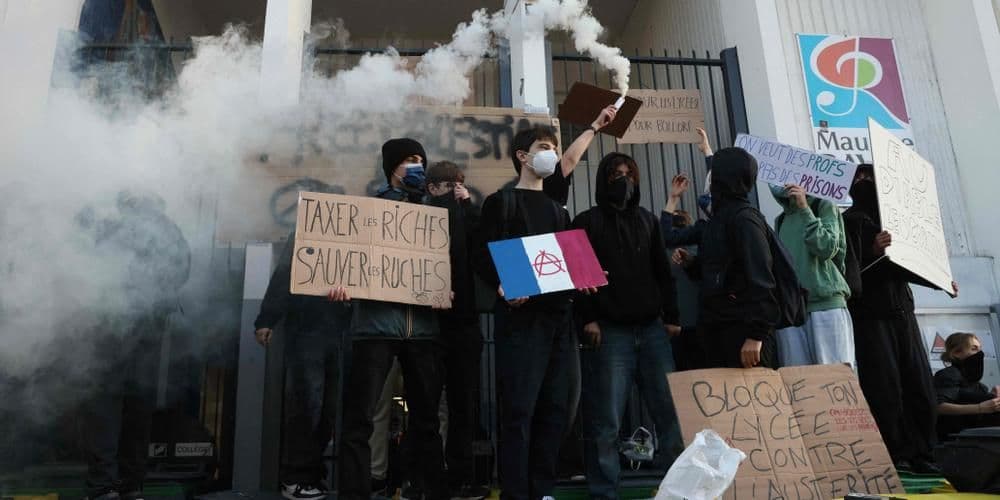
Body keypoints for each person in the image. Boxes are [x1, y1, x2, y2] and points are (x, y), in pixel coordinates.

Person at [471, 117, 609, 500]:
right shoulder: (501, 202)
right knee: (519, 410)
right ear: (522, 157)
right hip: (520, 321)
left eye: (552, 148)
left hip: (559, 319)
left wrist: (587, 277)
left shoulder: (556, 208)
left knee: (556, 408)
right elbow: (482, 255)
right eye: (543, 148)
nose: (550, 154)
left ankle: (543, 488)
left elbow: (565, 264)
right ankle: (517, 491)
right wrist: (502, 285)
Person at [332, 138, 450, 500]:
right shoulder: (369, 211)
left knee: (428, 419)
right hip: (375, 328)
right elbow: (348, 263)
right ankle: (357, 491)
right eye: (409, 160)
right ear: (392, 167)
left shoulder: (437, 212)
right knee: (360, 419)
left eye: (420, 160)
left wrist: (448, 288)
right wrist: (341, 285)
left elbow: (453, 260)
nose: (417, 165)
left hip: (423, 329)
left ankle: (428, 489)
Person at [572, 152, 684, 499]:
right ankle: (605, 492)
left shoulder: (648, 220)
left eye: (628, 174)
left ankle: (678, 489)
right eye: (615, 175)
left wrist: (672, 318)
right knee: (605, 421)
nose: (623, 180)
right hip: (609, 332)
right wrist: (588, 318)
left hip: (652, 330)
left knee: (670, 416)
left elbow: (663, 274)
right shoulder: (585, 221)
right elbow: (578, 276)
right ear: (603, 180)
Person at [844, 163, 960, 474]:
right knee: (885, 387)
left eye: (870, 177)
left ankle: (923, 451)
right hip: (871, 317)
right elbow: (849, 268)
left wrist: (940, 279)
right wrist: (871, 251)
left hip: (902, 314)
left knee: (918, 383)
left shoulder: (896, 222)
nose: (865, 182)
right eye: (860, 177)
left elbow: (911, 263)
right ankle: (895, 454)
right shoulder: (848, 221)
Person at [80, 191, 190, 500]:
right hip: (123, 324)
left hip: (124, 325)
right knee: (127, 407)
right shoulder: (163, 227)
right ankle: (124, 484)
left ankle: (111, 486)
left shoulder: (120, 224)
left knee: (117, 407)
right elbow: (183, 267)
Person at [254, 229, 351, 500]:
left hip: (336, 331)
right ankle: (295, 477)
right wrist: (266, 319)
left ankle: (309, 476)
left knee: (327, 410)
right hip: (306, 329)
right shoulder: (306, 232)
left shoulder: (350, 240)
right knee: (308, 404)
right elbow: (284, 275)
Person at [673, 148, 779, 369]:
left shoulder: (744, 220)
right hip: (716, 329)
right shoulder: (717, 220)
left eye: (715, 174)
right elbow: (718, 270)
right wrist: (693, 264)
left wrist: (756, 336)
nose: (710, 182)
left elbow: (761, 278)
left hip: (743, 335)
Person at [423, 161, 489, 499]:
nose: (458, 189)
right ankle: (426, 479)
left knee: (463, 405)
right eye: (451, 185)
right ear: (433, 187)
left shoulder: (468, 216)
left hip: (463, 323)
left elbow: (483, 249)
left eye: (461, 184)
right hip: (428, 326)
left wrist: (468, 208)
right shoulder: (419, 217)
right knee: (427, 407)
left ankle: (461, 477)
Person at [769, 184, 854, 367]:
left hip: (825, 306)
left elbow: (827, 248)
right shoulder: (781, 220)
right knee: (800, 384)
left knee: (835, 381)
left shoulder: (824, 205)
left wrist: (804, 209)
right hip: (793, 312)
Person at [934, 333, 1000, 441]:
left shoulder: (976, 383)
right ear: (956, 353)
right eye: (974, 349)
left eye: (979, 349)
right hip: (954, 441)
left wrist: (993, 396)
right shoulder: (949, 375)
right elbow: (938, 406)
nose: (980, 354)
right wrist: (980, 408)